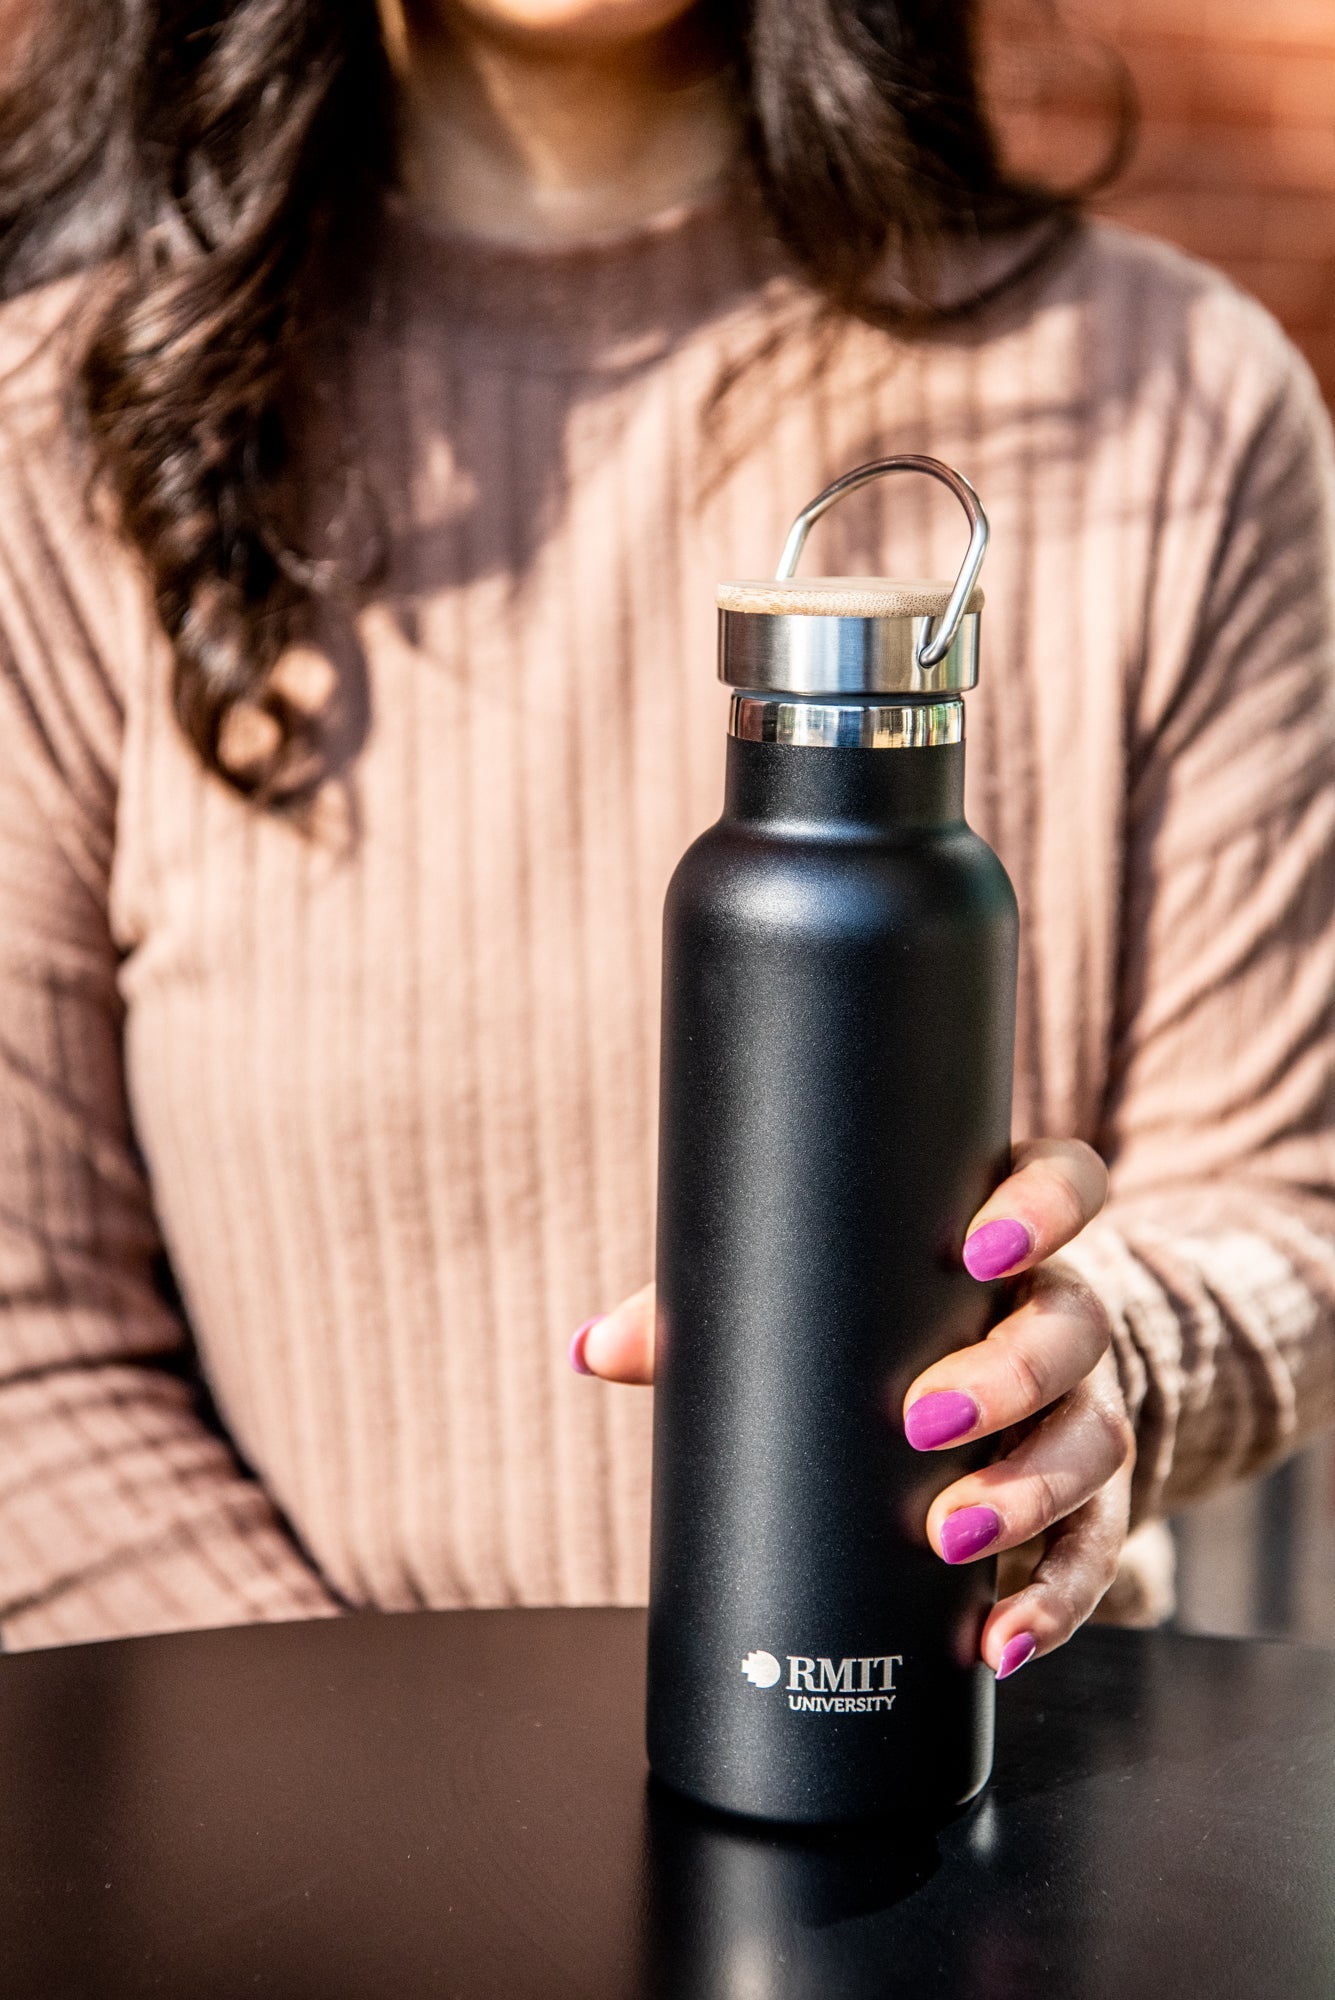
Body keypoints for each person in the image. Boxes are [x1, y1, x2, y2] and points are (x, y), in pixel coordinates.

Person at [0, 0, 1331, 1672]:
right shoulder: (66, 435)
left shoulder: (1171, 399)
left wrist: (1099, 1358)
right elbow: (27, 1353)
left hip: (995, 1782)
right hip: (294, 1813)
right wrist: (392, 1784)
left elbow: (1279, 1213)